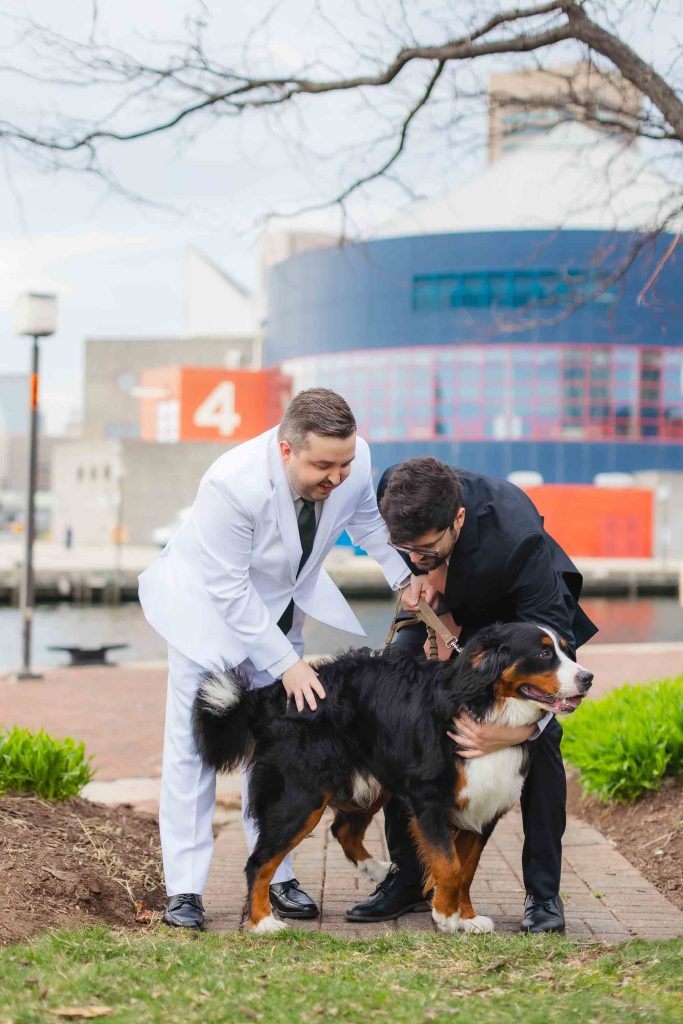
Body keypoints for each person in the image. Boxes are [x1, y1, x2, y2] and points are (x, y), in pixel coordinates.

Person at [138, 389, 423, 930]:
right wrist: (286, 664)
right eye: (323, 465)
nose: (337, 476)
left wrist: (404, 577)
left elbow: (366, 522)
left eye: (343, 463)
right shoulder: (231, 483)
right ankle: (185, 890)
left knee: (288, 745)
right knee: (191, 751)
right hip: (206, 612)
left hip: (281, 611)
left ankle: (280, 876)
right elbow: (227, 588)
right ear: (286, 449)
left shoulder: (353, 458)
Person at [345, 456, 598, 935]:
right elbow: (410, 554)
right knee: (400, 713)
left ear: (457, 520)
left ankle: (543, 894)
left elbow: (558, 651)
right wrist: (416, 576)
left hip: (519, 620)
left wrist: (513, 732)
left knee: (541, 746)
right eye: (407, 551)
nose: (414, 557)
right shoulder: (395, 491)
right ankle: (410, 878)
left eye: (426, 551)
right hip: (444, 608)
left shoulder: (517, 539)